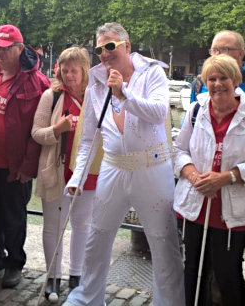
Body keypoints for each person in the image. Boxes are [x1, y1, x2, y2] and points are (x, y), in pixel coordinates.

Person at [62, 23, 184, 306]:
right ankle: (88, 297)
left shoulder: (153, 72)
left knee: (163, 240)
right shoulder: (95, 84)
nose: (104, 53)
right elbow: (89, 138)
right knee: (98, 235)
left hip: (152, 168)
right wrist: (77, 176)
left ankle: (169, 302)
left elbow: (158, 112)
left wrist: (123, 94)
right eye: (99, 49)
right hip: (113, 168)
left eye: (110, 46)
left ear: (126, 46)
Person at [173, 55, 245, 306]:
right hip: (194, 207)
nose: (217, 84)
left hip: (231, 212)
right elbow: (178, 151)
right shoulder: (196, 111)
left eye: (223, 78)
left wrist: (226, 178)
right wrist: (194, 176)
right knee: (192, 270)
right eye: (211, 79)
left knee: (229, 275)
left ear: (236, 80)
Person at [0, 24, 50, 288]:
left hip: (14, 167)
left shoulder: (37, 82)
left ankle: (14, 263)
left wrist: (28, 166)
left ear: (19, 49)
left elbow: (38, 130)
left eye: (4, 50)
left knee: (13, 218)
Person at [31, 47, 97, 298]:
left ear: (84, 71)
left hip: (87, 171)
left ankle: (76, 274)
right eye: (64, 70)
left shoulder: (95, 96)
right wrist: (56, 129)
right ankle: (53, 276)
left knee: (83, 224)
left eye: (74, 70)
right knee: (52, 226)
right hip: (57, 169)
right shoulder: (52, 96)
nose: (69, 75)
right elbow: (37, 133)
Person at [191, 31, 245, 112]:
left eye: (224, 49)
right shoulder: (199, 84)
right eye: (214, 50)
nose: (217, 55)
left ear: (241, 53)